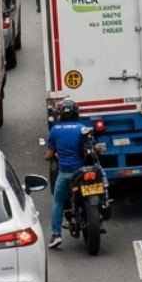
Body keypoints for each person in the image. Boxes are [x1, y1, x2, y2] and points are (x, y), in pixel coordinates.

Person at [44, 99, 93, 249]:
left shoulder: (55, 131)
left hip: (65, 173)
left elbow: (50, 153)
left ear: (60, 115)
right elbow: (91, 149)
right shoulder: (82, 128)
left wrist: (47, 157)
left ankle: (56, 234)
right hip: (81, 171)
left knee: (58, 201)